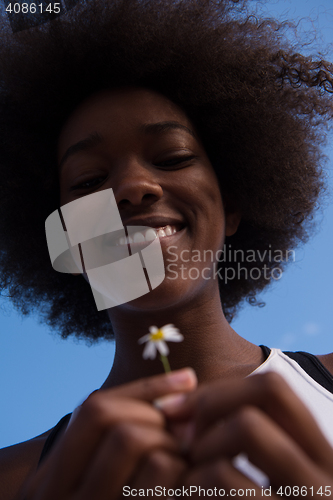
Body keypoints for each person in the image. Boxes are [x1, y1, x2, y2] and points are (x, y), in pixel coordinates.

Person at [0, 0, 333, 498]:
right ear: (65, 239)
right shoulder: (16, 479)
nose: (133, 187)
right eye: (89, 180)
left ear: (235, 204)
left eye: (173, 158)